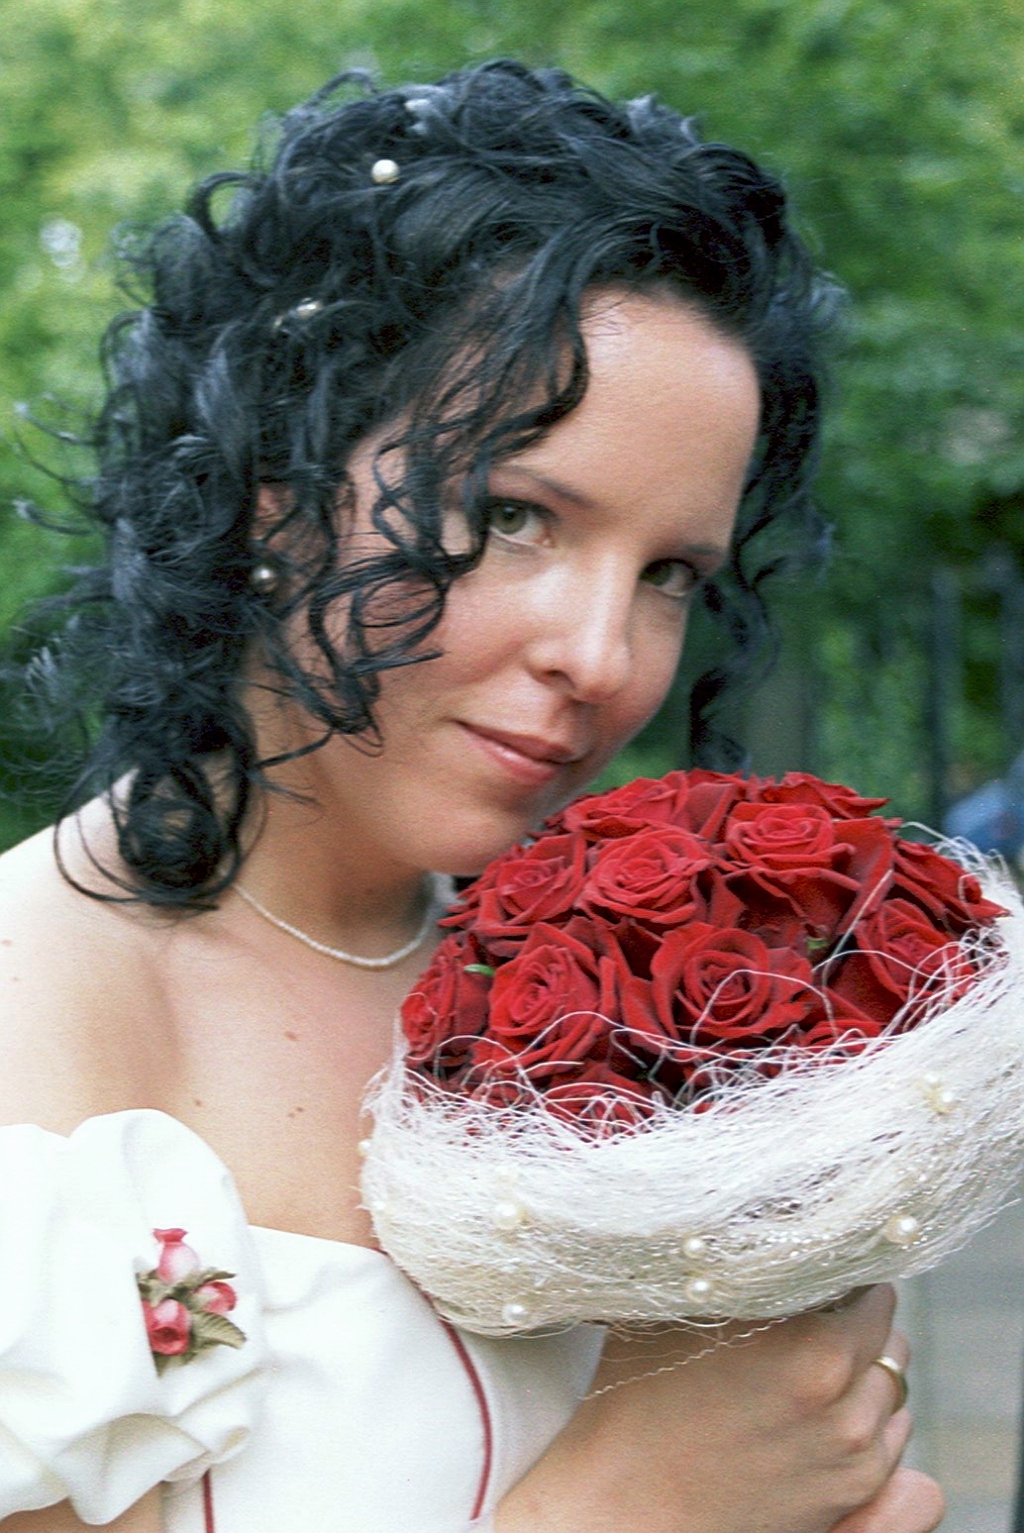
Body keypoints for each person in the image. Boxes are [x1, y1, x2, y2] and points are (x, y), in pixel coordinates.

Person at [0, 60, 944, 1533]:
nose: (603, 657)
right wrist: (631, 1507)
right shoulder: (35, 1011)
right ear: (272, 478)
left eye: (669, 574)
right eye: (516, 516)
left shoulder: (610, 994)